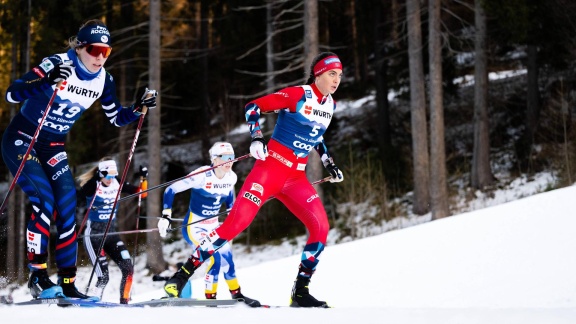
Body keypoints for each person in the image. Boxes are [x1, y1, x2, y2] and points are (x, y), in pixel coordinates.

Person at [161, 52, 344, 308]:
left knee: (321, 227)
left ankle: (300, 292)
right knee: (237, 223)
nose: (336, 80)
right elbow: (253, 106)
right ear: (318, 74)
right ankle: (180, 277)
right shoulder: (298, 95)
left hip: (295, 178)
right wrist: (257, 137)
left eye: (339, 75)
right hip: (269, 171)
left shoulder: (330, 105)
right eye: (331, 74)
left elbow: (316, 134)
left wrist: (328, 163)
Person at [1, 19, 157, 300]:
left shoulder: (104, 79)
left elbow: (115, 117)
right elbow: (12, 93)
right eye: (95, 49)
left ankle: (68, 282)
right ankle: (37, 277)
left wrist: (137, 109)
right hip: (23, 138)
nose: (100, 57)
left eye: (106, 52)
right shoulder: (57, 63)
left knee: (68, 207)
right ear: (81, 47)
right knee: (44, 202)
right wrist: (45, 81)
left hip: (53, 146)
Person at [158, 142, 260, 307]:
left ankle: (237, 294)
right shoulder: (201, 175)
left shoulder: (231, 177)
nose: (229, 161)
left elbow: (229, 199)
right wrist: (166, 216)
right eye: (225, 157)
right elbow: (171, 189)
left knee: (228, 260)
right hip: (194, 227)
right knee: (214, 260)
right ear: (215, 159)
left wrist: (233, 216)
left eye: (232, 157)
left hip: (215, 226)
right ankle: (210, 300)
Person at [77, 158, 148, 304]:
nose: (111, 179)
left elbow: (142, 194)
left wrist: (144, 178)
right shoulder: (93, 185)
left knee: (128, 269)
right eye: (108, 176)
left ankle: (125, 300)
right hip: (94, 236)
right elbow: (81, 194)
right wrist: (97, 177)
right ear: (101, 174)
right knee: (103, 276)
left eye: (113, 175)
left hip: (111, 234)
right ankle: (95, 299)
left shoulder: (117, 183)